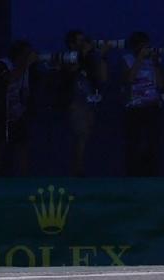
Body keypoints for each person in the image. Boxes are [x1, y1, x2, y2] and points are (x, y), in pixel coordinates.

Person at [52, 30, 108, 175]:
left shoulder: (89, 59)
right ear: (71, 44)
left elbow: (102, 78)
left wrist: (101, 56)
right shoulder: (66, 58)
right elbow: (69, 72)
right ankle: (77, 171)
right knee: (80, 135)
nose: (83, 43)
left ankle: (82, 169)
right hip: (74, 103)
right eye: (79, 41)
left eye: (84, 40)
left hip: (90, 103)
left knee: (87, 136)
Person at [0, 40, 37, 176]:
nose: (29, 56)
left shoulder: (26, 69)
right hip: (1, 112)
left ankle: (23, 177)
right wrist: (25, 65)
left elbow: (25, 91)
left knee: (22, 145)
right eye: (26, 53)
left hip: (18, 112)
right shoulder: (2, 64)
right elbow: (10, 79)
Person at [122, 33, 164, 176]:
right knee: (135, 142)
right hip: (134, 107)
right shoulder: (127, 59)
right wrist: (139, 59)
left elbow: (160, 85)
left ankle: (152, 172)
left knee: (152, 141)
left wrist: (156, 64)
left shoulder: (153, 61)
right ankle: (133, 173)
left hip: (152, 106)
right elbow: (129, 79)